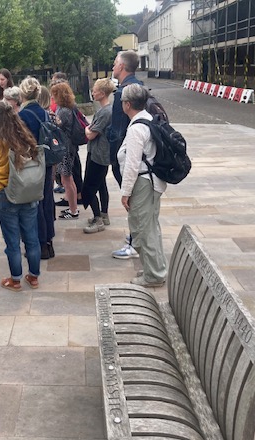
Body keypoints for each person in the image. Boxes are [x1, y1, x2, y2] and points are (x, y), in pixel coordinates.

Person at [0, 101, 42, 292]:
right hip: (27, 191)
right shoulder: (26, 137)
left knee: (12, 241)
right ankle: (34, 277)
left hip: (5, 193)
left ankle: (16, 280)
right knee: (32, 238)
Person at [118, 84, 167, 287]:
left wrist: (125, 193)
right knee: (151, 228)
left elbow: (132, 164)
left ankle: (153, 275)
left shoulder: (137, 128)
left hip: (143, 183)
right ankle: (155, 269)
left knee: (142, 230)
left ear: (127, 104)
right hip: (152, 181)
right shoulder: (148, 119)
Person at [109, 50, 144, 259]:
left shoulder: (126, 92)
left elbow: (118, 129)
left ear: (122, 66)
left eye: (115, 64)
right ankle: (135, 239)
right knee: (135, 201)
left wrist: (114, 157)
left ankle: (135, 243)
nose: (113, 67)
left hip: (126, 155)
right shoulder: (136, 87)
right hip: (132, 153)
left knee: (132, 200)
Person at [18, 76, 55, 260]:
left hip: (32, 164)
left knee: (34, 203)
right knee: (47, 200)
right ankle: (49, 241)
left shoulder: (22, 115)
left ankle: (41, 245)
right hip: (47, 162)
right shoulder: (44, 111)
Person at [82, 78, 115, 234]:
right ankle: (104, 214)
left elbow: (91, 134)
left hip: (98, 154)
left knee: (88, 187)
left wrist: (87, 129)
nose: (93, 92)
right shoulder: (107, 110)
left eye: (94, 90)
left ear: (102, 93)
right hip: (101, 154)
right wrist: (89, 128)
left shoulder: (104, 112)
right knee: (101, 184)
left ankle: (97, 219)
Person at [50, 82, 80, 220]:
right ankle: (73, 207)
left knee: (67, 179)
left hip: (65, 149)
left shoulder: (64, 111)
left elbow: (57, 126)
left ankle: (73, 210)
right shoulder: (69, 108)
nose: (52, 97)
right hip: (68, 147)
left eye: (54, 94)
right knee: (68, 179)